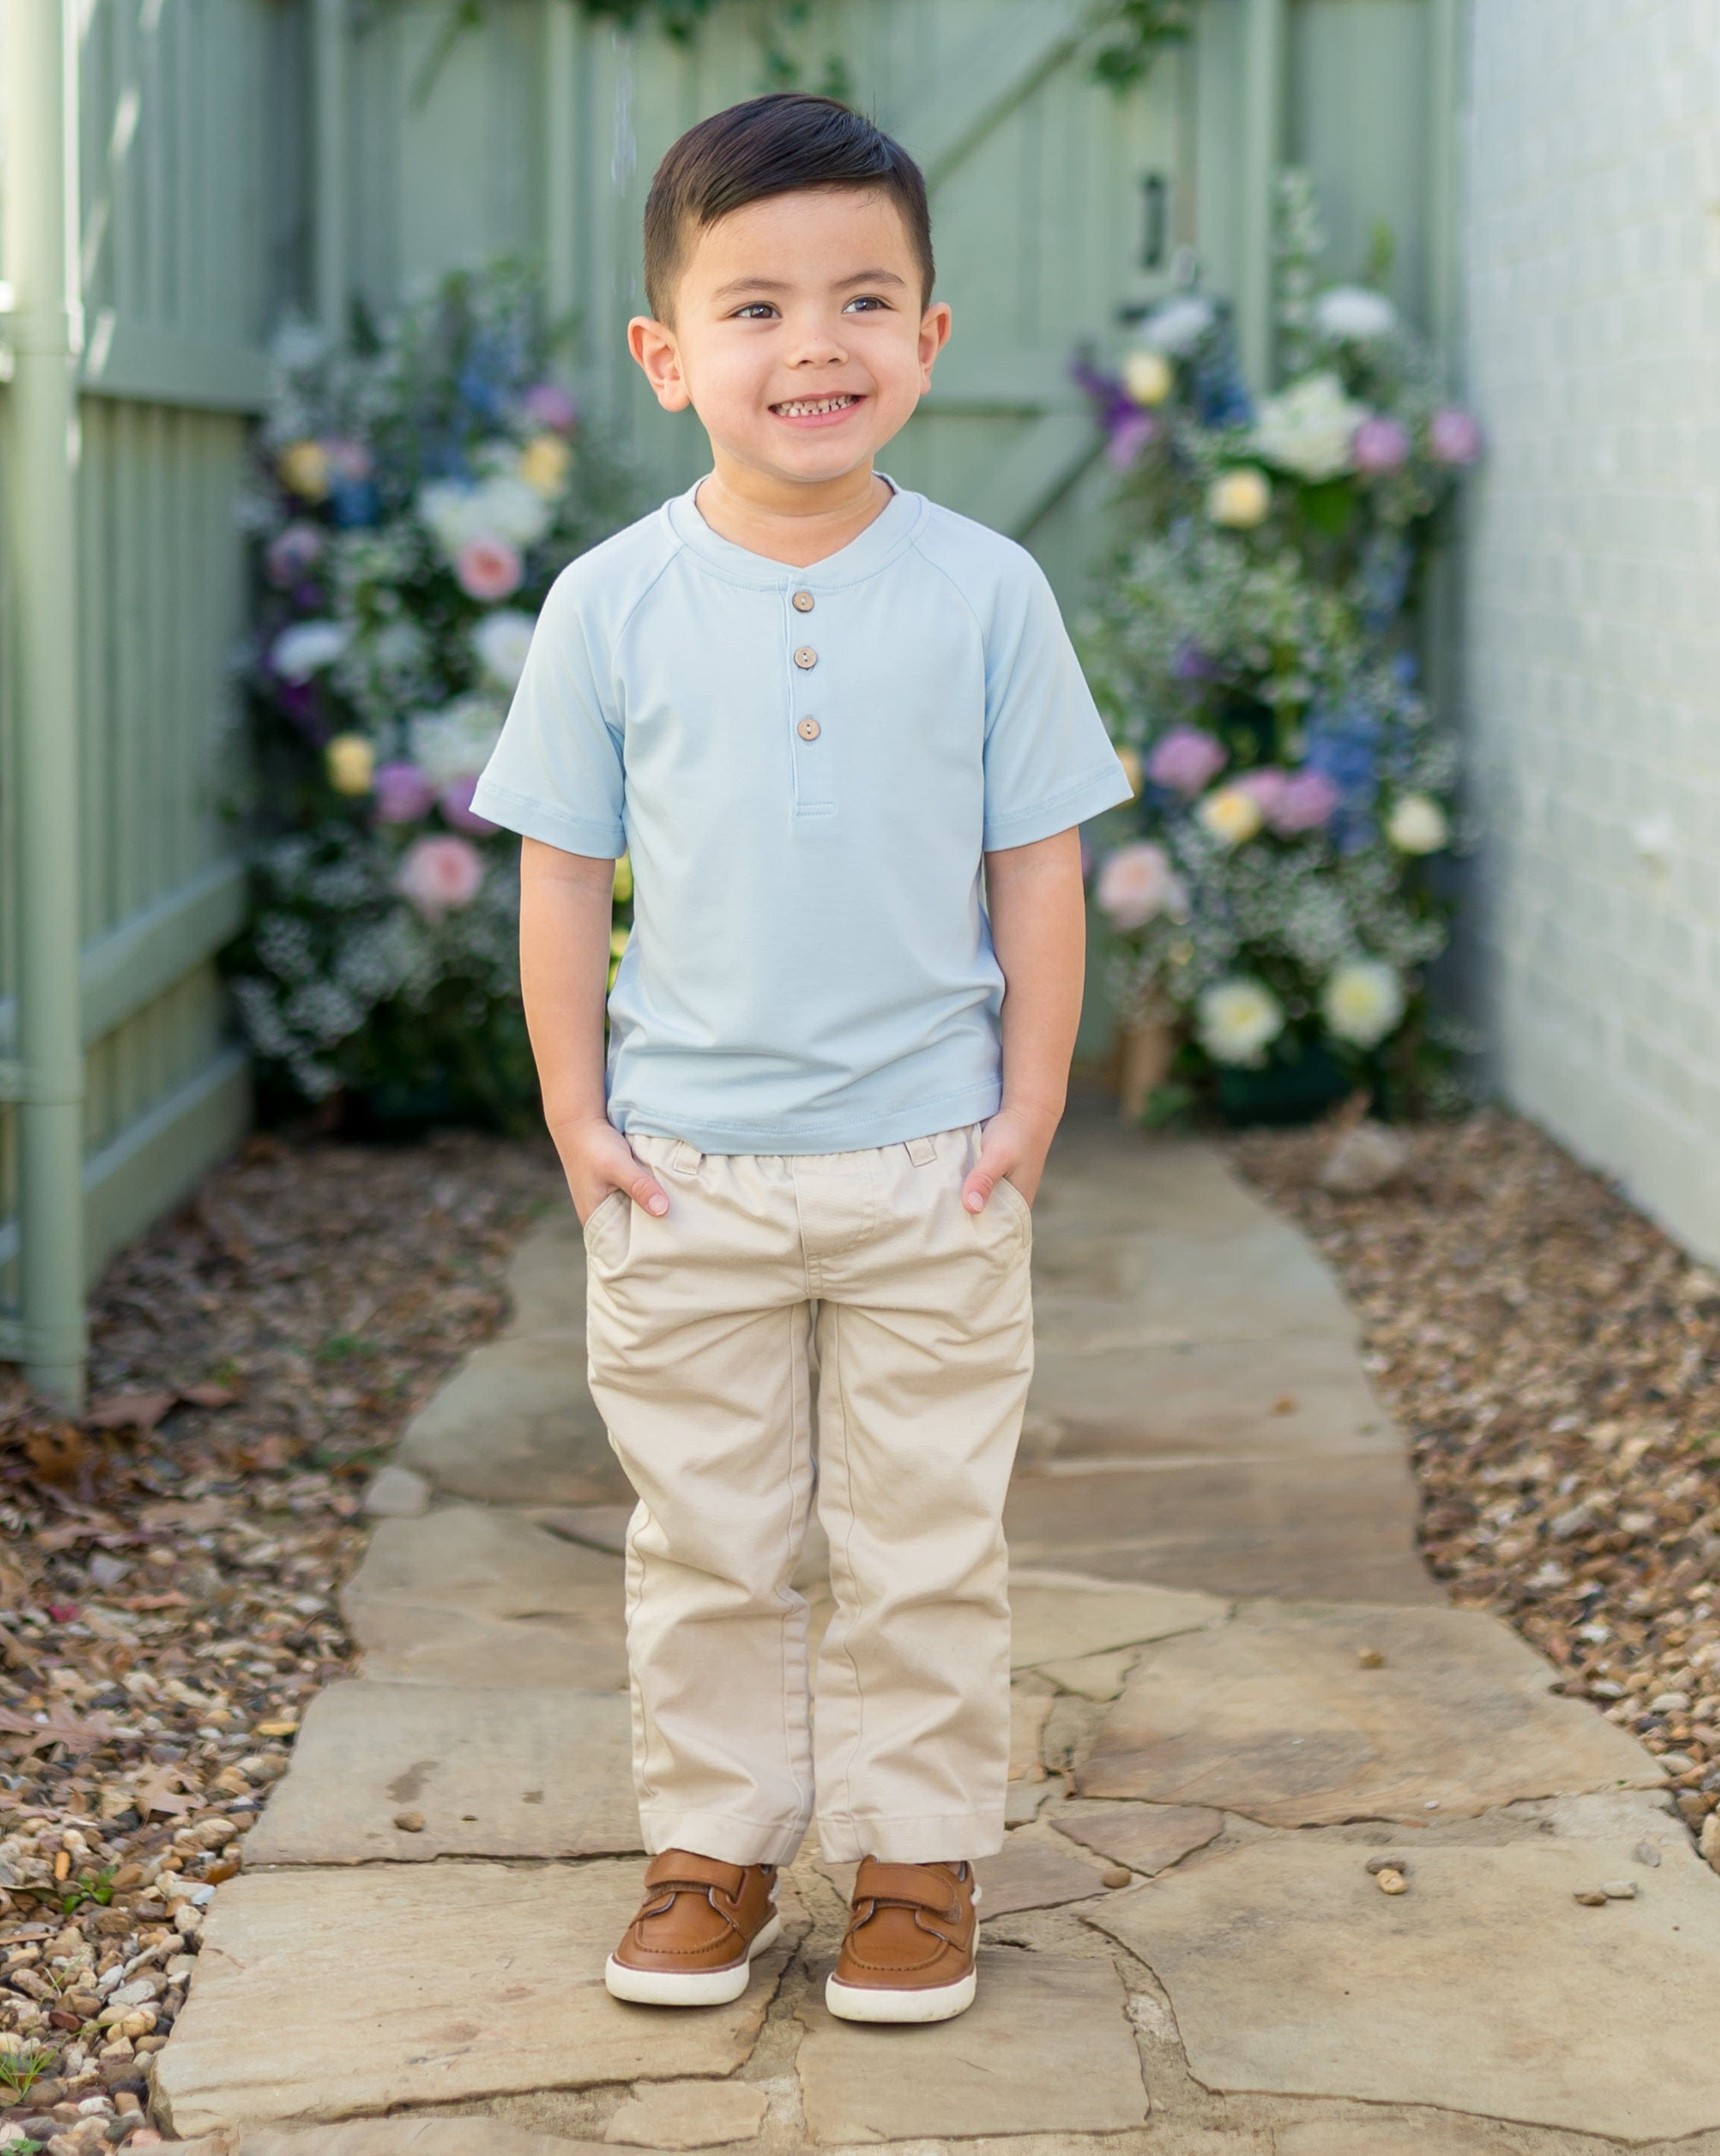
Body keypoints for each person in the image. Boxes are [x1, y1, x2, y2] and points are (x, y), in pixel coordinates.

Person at [469, 91, 1133, 2026]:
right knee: (709, 1539)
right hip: (685, 1168)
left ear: (928, 337)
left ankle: (916, 1861)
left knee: (923, 1537)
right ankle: (713, 1848)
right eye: (753, 307)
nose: (811, 344)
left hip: (932, 1158)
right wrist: (574, 1111)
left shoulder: (987, 588)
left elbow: (1037, 864)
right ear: (667, 355)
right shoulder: (610, 602)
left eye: (860, 300)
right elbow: (559, 871)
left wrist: (1028, 1102)